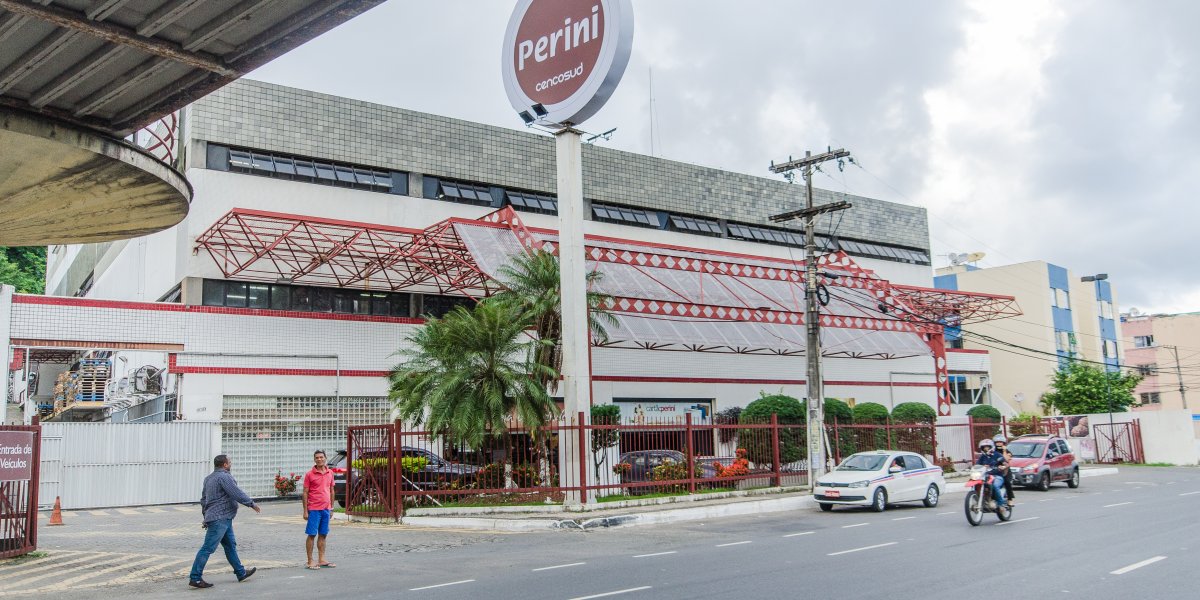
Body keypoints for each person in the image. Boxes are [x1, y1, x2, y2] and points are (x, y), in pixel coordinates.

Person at [189, 454, 260, 589]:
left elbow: (204, 500)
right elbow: (236, 493)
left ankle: (241, 572)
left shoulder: (209, 478)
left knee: (230, 546)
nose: (231, 464)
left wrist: (206, 516)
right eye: (230, 462)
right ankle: (195, 578)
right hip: (220, 518)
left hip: (221, 518)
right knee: (207, 548)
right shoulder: (224, 477)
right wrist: (251, 503)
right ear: (225, 465)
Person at [303, 449, 337, 570]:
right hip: (314, 509)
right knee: (312, 534)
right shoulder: (309, 474)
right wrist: (305, 511)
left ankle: (322, 559)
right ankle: (310, 560)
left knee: (323, 534)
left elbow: (332, 490)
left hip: (326, 509)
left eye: (321, 457)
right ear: (314, 459)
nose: (319, 459)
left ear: (325, 458)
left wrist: (332, 508)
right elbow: (305, 493)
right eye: (317, 457)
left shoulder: (330, 473)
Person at [974, 439, 1007, 508]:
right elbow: (976, 465)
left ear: (991, 447)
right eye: (984, 447)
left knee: (995, 486)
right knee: (975, 483)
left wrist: (1002, 467)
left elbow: (1005, 463)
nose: (986, 448)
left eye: (987, 447)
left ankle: (1001, 504)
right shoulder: (982, 457)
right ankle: (981, 500)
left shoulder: (997, 454)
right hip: (985, 475)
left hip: (997, 476)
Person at [993, 435, 1016, 504]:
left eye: (1001, 442)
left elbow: (1006, 459)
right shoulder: (993, 451)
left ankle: (1010, 499)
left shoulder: (1007, 452)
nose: (999, 444)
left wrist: (1004, 450)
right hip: (994, 470)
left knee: (1007, 482)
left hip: (1005, 471)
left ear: (1004, 443)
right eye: (997, 442)